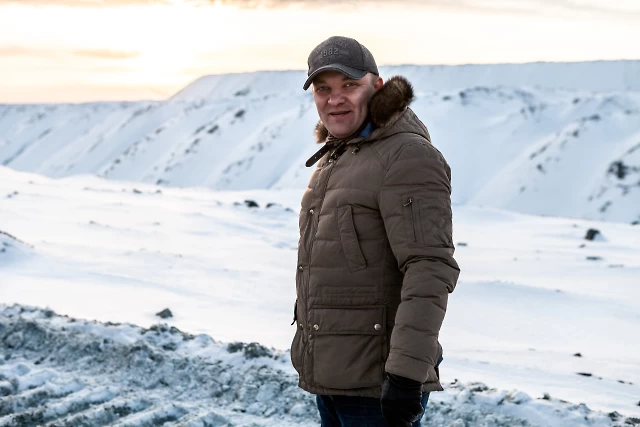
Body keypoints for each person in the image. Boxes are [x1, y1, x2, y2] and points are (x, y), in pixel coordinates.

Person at [290, 36, 460, 427]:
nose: (335, 99)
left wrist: (405, 374)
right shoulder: (338, 155)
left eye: (349, 85)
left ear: (377, 87)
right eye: (323, 89)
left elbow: (429, 267)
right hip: (335, 374)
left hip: (378, 385)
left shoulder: (406, 155)